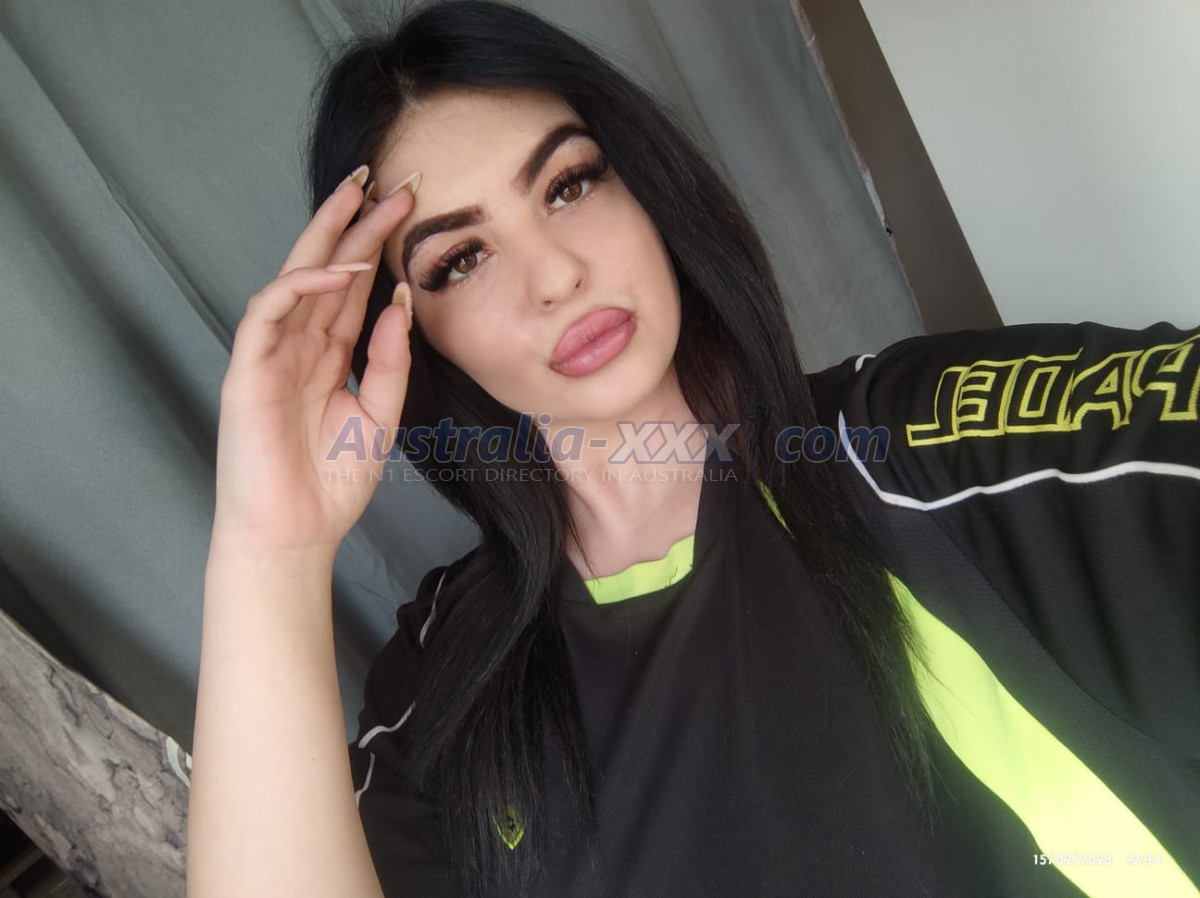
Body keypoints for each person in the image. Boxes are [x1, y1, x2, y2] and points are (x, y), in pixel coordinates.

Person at [185, 1, 1200, 896]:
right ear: (411, 333)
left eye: (570, 184)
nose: (555, 274)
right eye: (461, 258)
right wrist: (271, 551)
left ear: (647, 186)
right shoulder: (440, 681)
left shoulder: (906, 441)